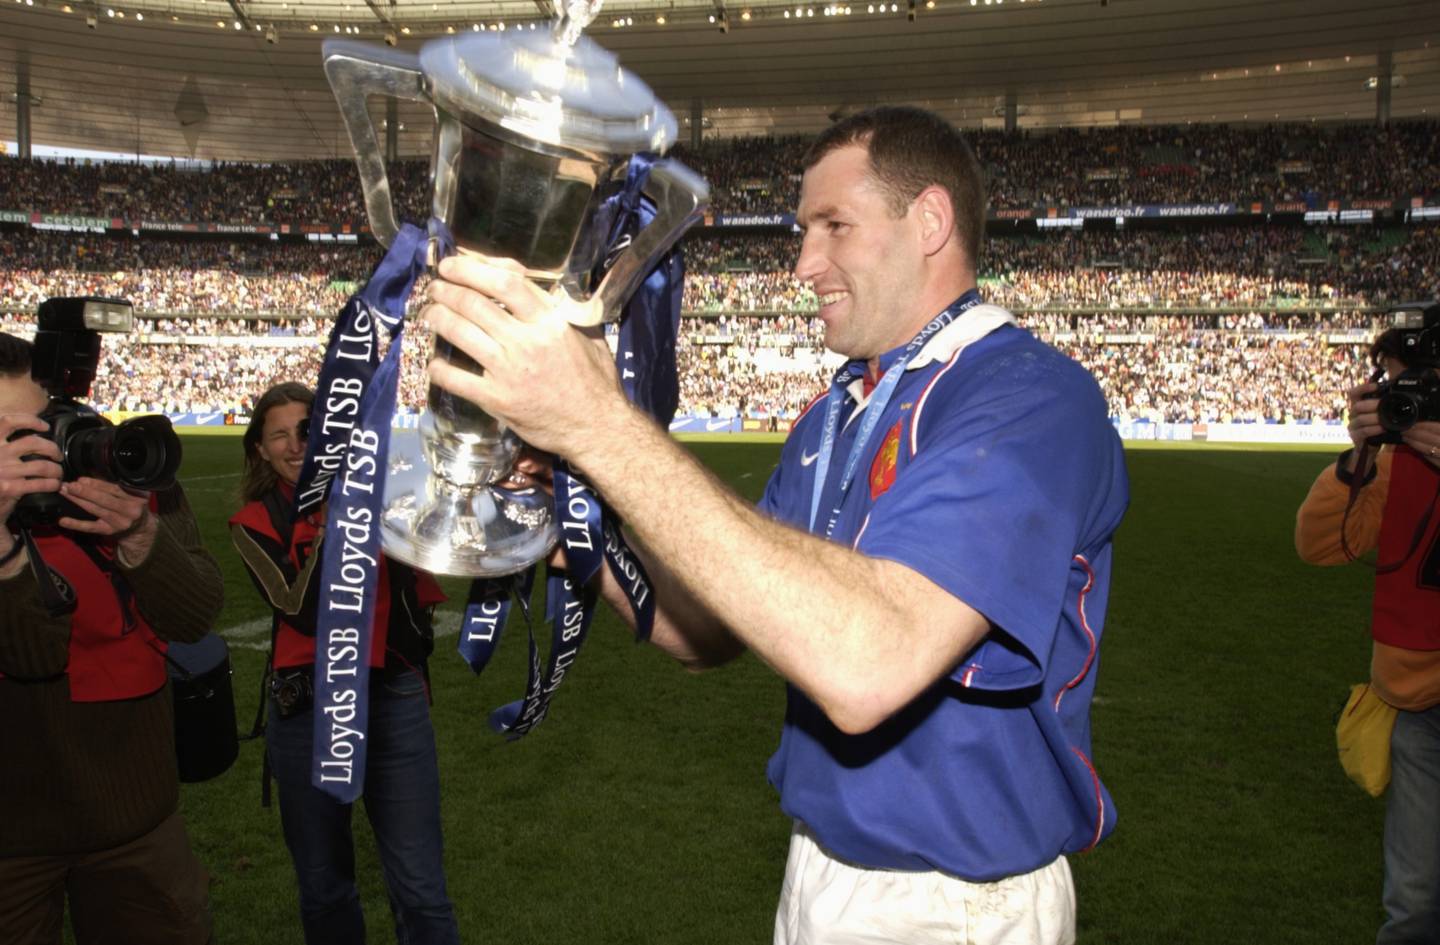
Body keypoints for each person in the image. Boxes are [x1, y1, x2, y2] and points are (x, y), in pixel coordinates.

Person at [422, 106, 1129, 944]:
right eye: (803, 231)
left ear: (931, 220)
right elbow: (707, 626)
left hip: (955, 903)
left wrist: (601, 426)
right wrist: (569, 501)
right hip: (819, 871)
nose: (803, 262)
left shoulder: (1029, 399)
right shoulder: (839, 413)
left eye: (834, 226)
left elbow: (868, 661)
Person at [0, 331, 219, 945]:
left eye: (42, 427)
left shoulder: (124, 468)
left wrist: (141, 537)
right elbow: (32, 656)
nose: (37, 450)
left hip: (135, 818)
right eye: (8, 436)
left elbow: (195, 615)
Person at [228, 381, 459, 945]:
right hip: (307, 709)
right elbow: (299, 611)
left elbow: (445, 544)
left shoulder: (381, 492)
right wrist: (335, 532)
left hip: (391, 700)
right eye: (277, 435)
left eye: (306, 429)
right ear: (259, 449)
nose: (294, 444)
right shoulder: (254, 521)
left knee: (421, 889)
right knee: (326, 889)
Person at [1295, 326, 1440, 945]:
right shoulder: (1393, 462)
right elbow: (1323, 545)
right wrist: (1359, 457)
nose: (1399, 396)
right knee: (1413, 902)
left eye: (1415, 385)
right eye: (1391, 384)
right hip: (1417, 702)